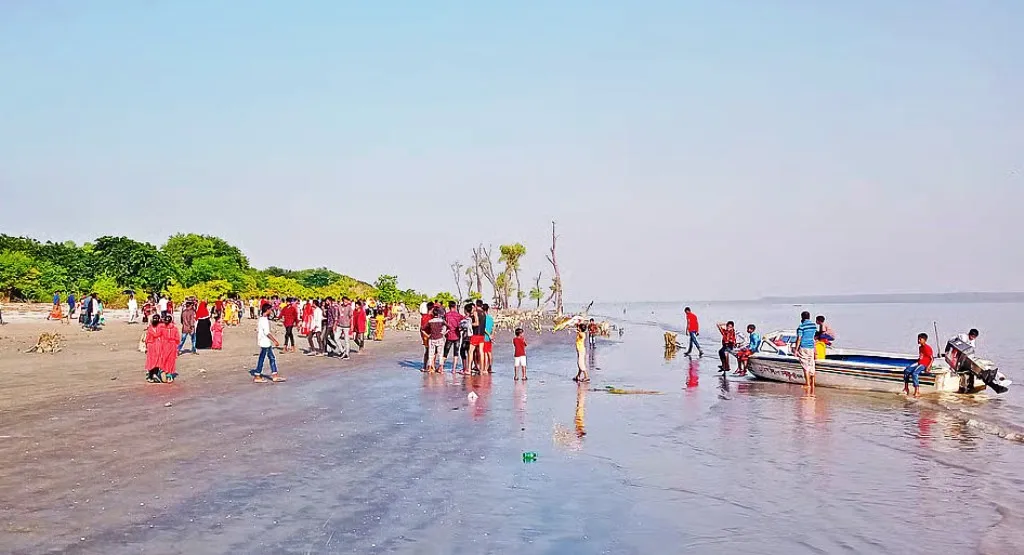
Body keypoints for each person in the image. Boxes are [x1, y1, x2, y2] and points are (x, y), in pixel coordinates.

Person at [253, 304, 285, 383]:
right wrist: (275, 340)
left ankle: (266, 374)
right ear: (267, 310)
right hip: (265, 342)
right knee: (270, 358)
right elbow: (267, 333)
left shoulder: (261, 319)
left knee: (266, 357)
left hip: (263, 341)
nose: (271, 311)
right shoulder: (264, 320)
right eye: (270, 310)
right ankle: (261, 375)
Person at [903, 333, 933, 398]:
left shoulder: (927, 348)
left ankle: (917, 391)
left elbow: (931, 358)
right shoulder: (920, 348)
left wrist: (928, 367)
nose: (918, 340)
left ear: (924, 340)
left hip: (924, 364)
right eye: (918, 339)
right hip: (919, 362)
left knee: (914, 373)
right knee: (906, 371)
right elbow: (921, 357)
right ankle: (906, 388)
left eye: (920, 339)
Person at [795, 311, 817, 393]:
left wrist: (796, 350)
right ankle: (813, 384)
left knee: (805, 366)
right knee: (812, 365)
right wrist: (815, 351)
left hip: (804, 347)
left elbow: (799, 338)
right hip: (811, 347)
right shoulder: (813, 326)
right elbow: (814, 338)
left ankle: (807, 384)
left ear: (802, 317)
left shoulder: (801, 326)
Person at [421, 307, 447, 372]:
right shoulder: (441, 321)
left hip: (432, 339)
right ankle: (440, 368)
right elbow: (448, 327)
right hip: (440, 338)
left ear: (433, 313)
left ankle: (430, 368)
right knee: (440, 354)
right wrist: (444, 333)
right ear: (438, 314)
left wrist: (427, 335)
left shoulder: (430, 321)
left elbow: (422, 329)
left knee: (431, 354)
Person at [443, 301, 462, 372]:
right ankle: (454, 369)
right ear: (455, 307)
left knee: (445, 352)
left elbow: (444, 324)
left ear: (449, 307)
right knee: (456, 352)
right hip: (457, 335)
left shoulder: (446, 315)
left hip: (449, 336)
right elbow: (463, 322)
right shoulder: (459, 315)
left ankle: (441, 367)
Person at [160, 313, 179, 383]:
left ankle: (163, 371)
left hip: (164, 345)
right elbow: (177, 339)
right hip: (172, 345)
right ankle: (169, 375)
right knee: (171, 361)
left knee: (164, 359)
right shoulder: (175, 328)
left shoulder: (162, 328)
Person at [145, 315, 164, 382]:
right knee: (157, 361)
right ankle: (154, 375)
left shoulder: (150, 328)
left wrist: (146, 347)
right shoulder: (161, 327)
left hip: (151, 345)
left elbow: (147, 339)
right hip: (157, 345)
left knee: (152, 361)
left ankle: (151, 376)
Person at [458, 303, 473, 374]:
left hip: (466, 338)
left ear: (466, 311)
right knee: (470, 353)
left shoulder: (465, 319)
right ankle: (469, 367)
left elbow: (460, 327)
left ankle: (465, 368)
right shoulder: (473, 319)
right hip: (472, 338)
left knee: (463, 352)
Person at [483, 304, 495, 373]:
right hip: (490, 337)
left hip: (485, 337)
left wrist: (488, 335)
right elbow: (493, 328)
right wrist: (492, 335)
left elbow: (483, 328)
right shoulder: (491, 318)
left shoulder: (483, 318)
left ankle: (485, 368)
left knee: (485, 353)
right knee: (489, 353)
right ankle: (490, 367)